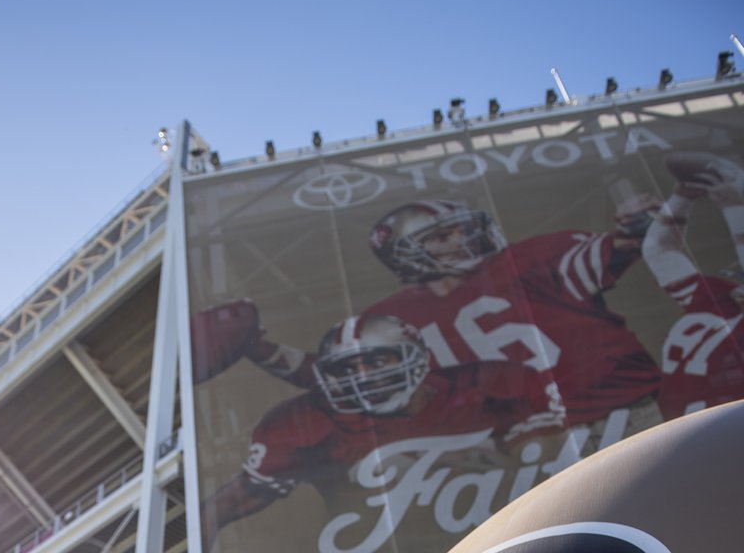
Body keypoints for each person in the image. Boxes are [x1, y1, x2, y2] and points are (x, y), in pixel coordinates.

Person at [201, 314, 565, 553]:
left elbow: (554, 460)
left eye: (376, 362)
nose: (362, 377)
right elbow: (218, 509)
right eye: (346, 368)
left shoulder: (492, 386)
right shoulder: (304, 424)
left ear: (416, 357)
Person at [363, 198, 662, 437]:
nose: (462, 239)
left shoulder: (524, 261)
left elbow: (617, 248)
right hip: (526, 437)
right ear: (403, 255)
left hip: (625, 411)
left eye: (463, 229)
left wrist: (634, 226)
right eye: (442, 236)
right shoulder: (390, 318)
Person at [642, 152, 744, 420]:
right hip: (699, 435)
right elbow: (658, 250)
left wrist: (736, 205)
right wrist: (682, 198)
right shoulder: (718, 302)